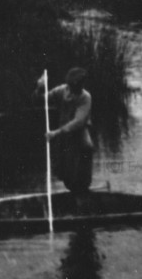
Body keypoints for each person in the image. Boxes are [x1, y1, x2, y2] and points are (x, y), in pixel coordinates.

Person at [36, 67, 95, 212]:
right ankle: (74, 191)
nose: (74, 88)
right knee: (66, 171)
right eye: (72, 85)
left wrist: (56, 133)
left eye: (78, 85)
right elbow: (41, 100)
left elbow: (78, 122)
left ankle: (82, 192)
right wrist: (40, 88)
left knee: (87, 148)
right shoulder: (61, 91)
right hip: (63, 134)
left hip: (78, 132)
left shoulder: (85, 97)